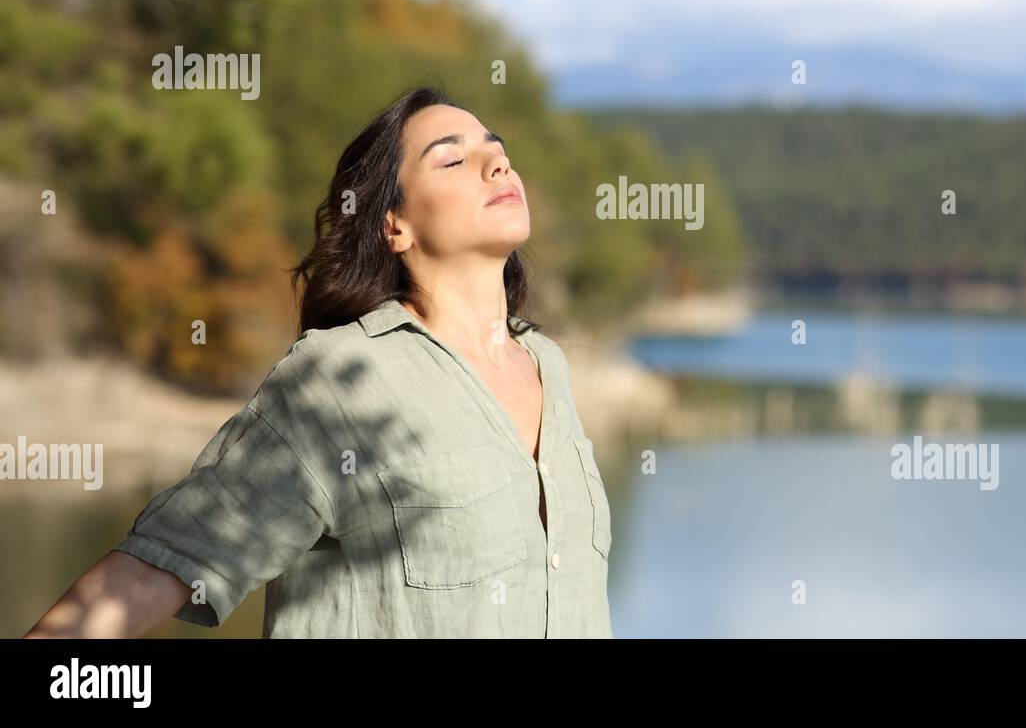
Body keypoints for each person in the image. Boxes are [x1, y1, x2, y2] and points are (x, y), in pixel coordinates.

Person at [24, 86, 613, 638]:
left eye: (497, 150)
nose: (497, 166)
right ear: (394, 226)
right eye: (451, 160)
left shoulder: (547, 364)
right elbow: (165, 562)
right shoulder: (343, 376)